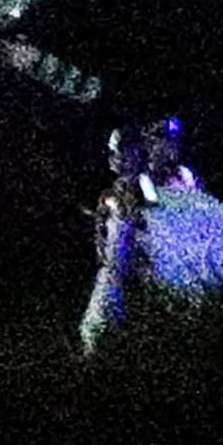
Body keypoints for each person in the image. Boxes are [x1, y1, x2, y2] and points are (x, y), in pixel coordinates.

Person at [80, 126, 156, 355]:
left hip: (130, 274)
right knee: (96, 330)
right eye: (112, 152)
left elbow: (149, 215)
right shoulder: (111, 191)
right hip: (111, 271)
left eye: (119, 151)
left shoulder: (142, 184)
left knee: (104, 329)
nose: (114, 157)